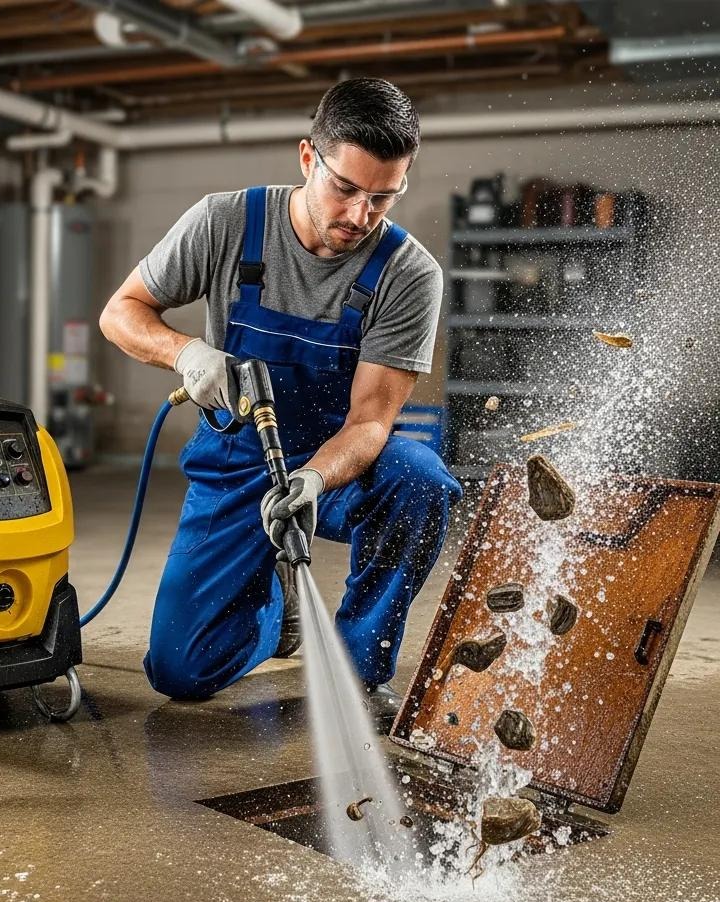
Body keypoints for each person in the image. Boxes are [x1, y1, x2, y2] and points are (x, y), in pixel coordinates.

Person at [99, 77, 462, 729]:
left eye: (383, 197)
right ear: (307, 158)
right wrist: (186, 353)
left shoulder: (409, 274)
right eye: (345, 188)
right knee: (180, 671)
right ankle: (278, 618)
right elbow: (121, 312)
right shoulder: (227, 222)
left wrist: (314, 479)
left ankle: (356, 666)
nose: (360, 216)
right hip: (236, 460)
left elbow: (371, 421)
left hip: (334, 465)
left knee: (420, 480)